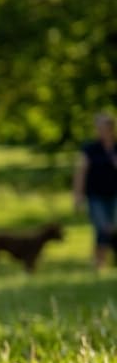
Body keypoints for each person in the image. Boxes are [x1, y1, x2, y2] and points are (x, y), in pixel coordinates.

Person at [74, 113, 117, 269]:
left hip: (115, 194)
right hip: (96, 195)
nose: (102, 131)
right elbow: (81, 172)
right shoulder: (90, 149)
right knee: (102, 227)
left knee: (114, 227)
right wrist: (78, 195)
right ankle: (99, 263)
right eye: (99, 128)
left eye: (105, 128)